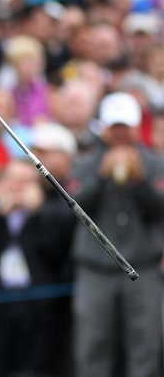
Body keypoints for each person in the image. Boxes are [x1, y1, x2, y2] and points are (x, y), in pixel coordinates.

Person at [69, 92, 164, 377]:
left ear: (136, 128)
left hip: (143, 267)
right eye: (115, 127)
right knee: (93, 345)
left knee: (146, 344)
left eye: (126, 127)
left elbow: (160, 209)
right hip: (95, 269)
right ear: (105, 129)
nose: (121, 134)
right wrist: (99, 177)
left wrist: (141, 181)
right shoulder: (85, 164)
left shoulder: (154, 163)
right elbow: (73, 208)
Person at [0, 158, 72, 377]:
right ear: (1, 183)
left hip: (37, 305)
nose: (18, 189)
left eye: (26, 183)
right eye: (14, 181)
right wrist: (0, 215)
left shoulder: (51, 215)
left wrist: (37, 213)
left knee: (34, 368)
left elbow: (56, 251)